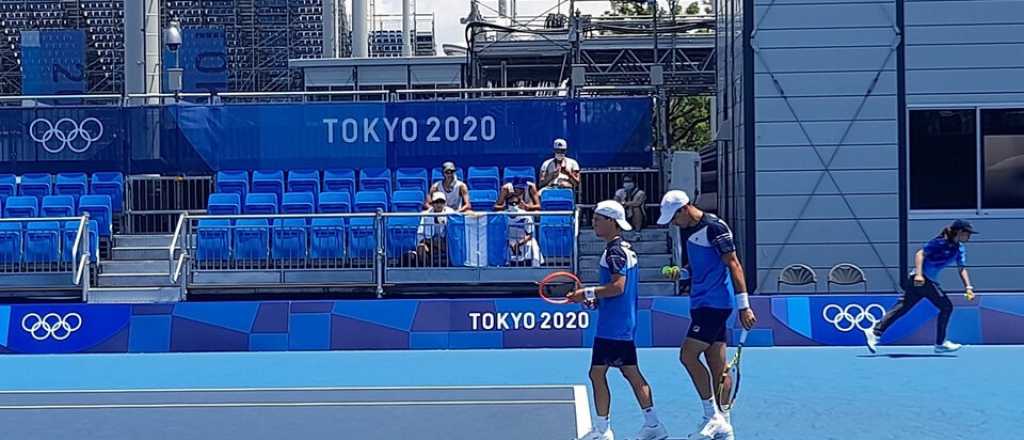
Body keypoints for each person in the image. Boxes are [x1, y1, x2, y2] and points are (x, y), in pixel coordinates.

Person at [657, 190, 756, 440]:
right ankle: (725, 425)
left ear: (685, 208)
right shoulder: (689, 231)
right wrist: (681, 273)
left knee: (688, 356)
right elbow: (700, 268)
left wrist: (744, 306)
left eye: (674, 217)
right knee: (717, 365)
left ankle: (712, 416)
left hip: (715, 304)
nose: (673, 223)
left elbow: (734, 263)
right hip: (700, 303)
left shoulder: (714, 227)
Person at [567, 200, 669, 440]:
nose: (593, 223)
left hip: (613, 327)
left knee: (597, 374)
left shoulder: (614, 252)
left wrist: (586, 293)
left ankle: (604, 430)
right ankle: (653, 424)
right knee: (630, 372)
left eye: (598, 219)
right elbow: (616, 291)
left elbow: (618, 287)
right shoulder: (625, 249)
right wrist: (596, 300)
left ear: (611, 222)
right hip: (621, 323)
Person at [864, 219, 978, 354]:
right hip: (922, 279)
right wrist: (919, 275)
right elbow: (920, 254)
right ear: (959, 232)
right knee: (946, 307)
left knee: (902, 307)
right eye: (968, 233)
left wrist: (968, 287)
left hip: (925, 281)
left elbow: (962, 268)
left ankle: (875, 331)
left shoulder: (959, 249)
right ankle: (940, 343)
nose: (969, 236)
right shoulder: (940, 242)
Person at [410, 191, 456, 266]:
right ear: (432, 204)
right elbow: (420, 232)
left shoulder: (451, 213)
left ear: (445, 203)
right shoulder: (425, 214)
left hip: (446, 242)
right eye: (436, 202)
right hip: (429, 241)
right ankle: (427, 269)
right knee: (421, 248)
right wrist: (421, 243)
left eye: (441, 202)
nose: (439, 204)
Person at [504, 193, 542, 267]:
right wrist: (510, 243)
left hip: (523, 240)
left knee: (532, 245)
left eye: (516, 203)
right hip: (508, 241)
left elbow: (530, 235)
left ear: (519, 203)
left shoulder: (525, 215)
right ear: (507, 204)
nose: (514, 205)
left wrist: (518, 244)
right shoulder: (502, 215)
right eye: (511, 203)